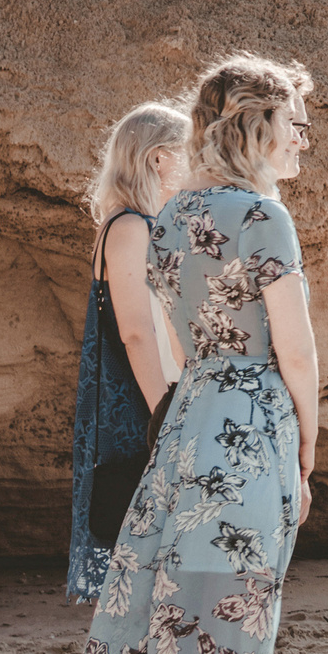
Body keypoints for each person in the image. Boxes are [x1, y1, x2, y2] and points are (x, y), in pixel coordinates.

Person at [28, 53, 321, 654]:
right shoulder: (264, 218)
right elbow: (297, 352)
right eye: (294, 123)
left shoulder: (170, 216)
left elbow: (173, 343)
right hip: (252, 427)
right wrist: (307, 446)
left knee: (178, 622)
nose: (303, 139)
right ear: (256, 126)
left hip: (190, 421)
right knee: (232, 626)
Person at [66, 99, 190, 603]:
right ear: (159, 158)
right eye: (189, 151)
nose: (197, 163)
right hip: (139, 405)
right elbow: (137, 333)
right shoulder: (129, 227)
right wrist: (166, 416)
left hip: (148, 398)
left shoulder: (137, 224)